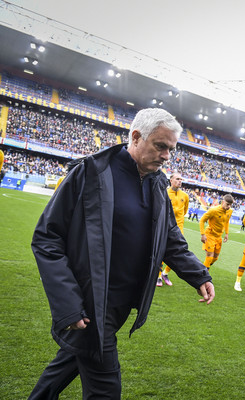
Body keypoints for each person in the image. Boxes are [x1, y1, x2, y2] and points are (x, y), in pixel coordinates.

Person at [29, 108, 214, 399]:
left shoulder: (157, 184)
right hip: (89, 303)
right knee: (105, 389)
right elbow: (47, 238)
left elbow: (169, 239)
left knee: (71, 359)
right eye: (160, 146)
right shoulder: (92, 172)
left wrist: (198, 274)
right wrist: (68, 303)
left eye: (171, 149)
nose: (166, 156)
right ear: (136, 137)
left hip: (120, 305)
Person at [157, 172, 189, 287]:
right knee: (161, 251)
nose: (179, 181)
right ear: (171, 180)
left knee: (177, 252)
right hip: (165, 226)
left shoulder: (185, 196)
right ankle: (159, 276)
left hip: (178, 228)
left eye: (181, 179)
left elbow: (184, 211)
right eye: (177, 179)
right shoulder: (164, 193)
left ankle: (165, 273)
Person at [199, 194, 234, 270]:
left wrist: (227, 233)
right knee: (209, 257)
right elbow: (202, 220)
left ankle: (203, 268)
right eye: (227, 204)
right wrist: (202, 234)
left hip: (219, 237)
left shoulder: (230, 211)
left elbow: (227, 222)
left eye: (230, 205)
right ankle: (204, 277)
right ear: (222, 202)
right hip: (210, 235)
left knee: (215, 258)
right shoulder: (213, 210)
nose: (229, 207)